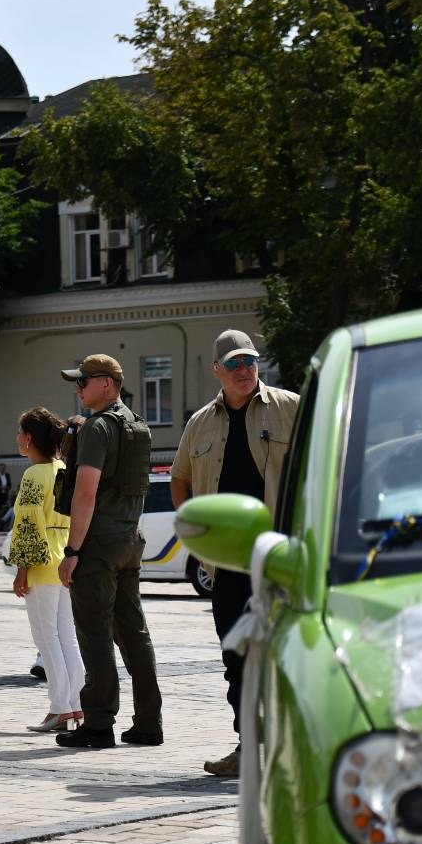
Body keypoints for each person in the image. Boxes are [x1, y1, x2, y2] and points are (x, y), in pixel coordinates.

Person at [171, 329, 301, 777]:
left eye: (249, 361)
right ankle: (250, 747)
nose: (243, 370)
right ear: (216, 371)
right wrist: (196, 530)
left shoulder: (291, 408)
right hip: (227, 563)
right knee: (237, 658)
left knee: (291, 654)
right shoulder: (200, 423)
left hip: (284, 558)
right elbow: (180, 479)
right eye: (233, 363)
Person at [54, 354, 163, 750]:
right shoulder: (136, 425)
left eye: (83, 381)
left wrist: (72, 550)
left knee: (95, 633)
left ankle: (98, 725)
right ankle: (149, 723)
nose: (78, 389)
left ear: (107, 383)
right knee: (134, 632)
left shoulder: (98, 428)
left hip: (98, 545)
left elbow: (85, 494)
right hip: (129, 541)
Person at [8, 408, 83, 732]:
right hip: (66, 553)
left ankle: (59, 707)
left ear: (28, 439)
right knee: (67, 636)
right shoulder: (65, 469)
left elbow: (27, 523)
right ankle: (77, 704)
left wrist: (22, 570)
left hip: (41, 560)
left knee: (46, 637)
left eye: (20, 433)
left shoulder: (33, 475)